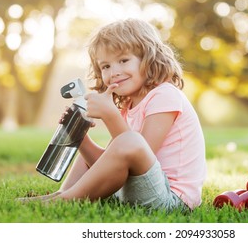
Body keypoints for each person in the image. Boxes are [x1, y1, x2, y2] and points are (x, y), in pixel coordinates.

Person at [19, 18, 206, 211]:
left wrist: (110, 115)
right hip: (140, 190)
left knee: (129, 141)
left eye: (124, 60)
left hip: (171, 199)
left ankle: (64, 200)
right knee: (100, 152)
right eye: (105, 66)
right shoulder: (127, 106)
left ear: (149, 58)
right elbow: (111, 164)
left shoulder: (165, 94)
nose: (114, 72)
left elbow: (140, 150)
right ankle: (63, 196)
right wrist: (81, 138)